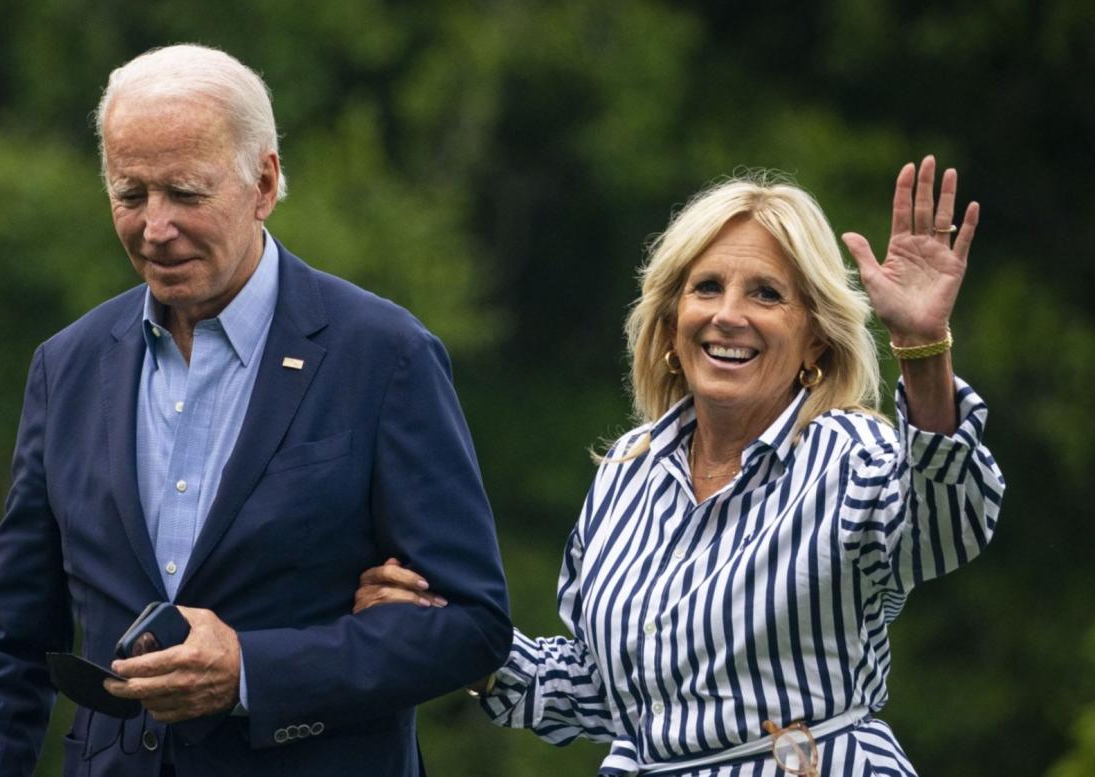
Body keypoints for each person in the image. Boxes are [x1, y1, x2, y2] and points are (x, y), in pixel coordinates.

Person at [0, 44, 511, 777]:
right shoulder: (68, 365)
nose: (154, 226)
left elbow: (473, 624)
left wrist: (252, 668)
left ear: (265, 183)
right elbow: (6, 643)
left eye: (184, 193)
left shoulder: (384, 354)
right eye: (130, 194)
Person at [355, 158, 1005, 775]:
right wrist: (461, 642)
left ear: (815, 336)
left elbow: (946, 527)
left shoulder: (845, 453)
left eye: (767, 294)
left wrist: (922, 349)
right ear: (671, 324)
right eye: (707, 288)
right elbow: (600, 689)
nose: (728, 315)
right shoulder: (626, 476)